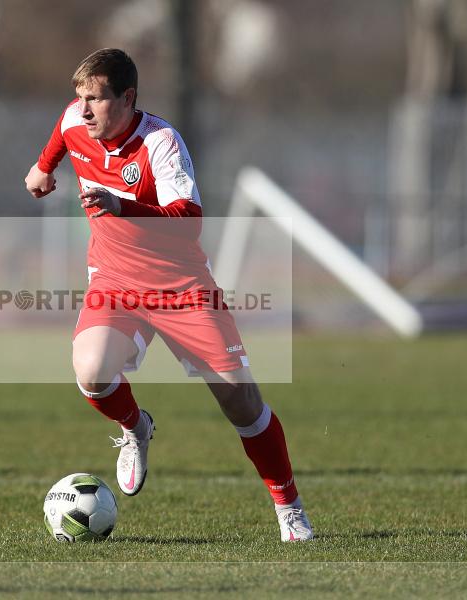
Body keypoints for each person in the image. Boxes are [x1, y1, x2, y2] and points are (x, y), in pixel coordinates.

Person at [24, 48, 313, 541]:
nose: (85, 109)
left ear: (128, 97)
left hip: (181, 286)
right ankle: (136, 427)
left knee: (241, 402)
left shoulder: (161, 142)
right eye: (81, 98)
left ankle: (290, 511)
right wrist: (43, 166)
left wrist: (124, 205)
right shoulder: (76, 119)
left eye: (96, 99)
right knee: (92, 372)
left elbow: (190, 222)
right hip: (115, 281)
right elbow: (62, 129)